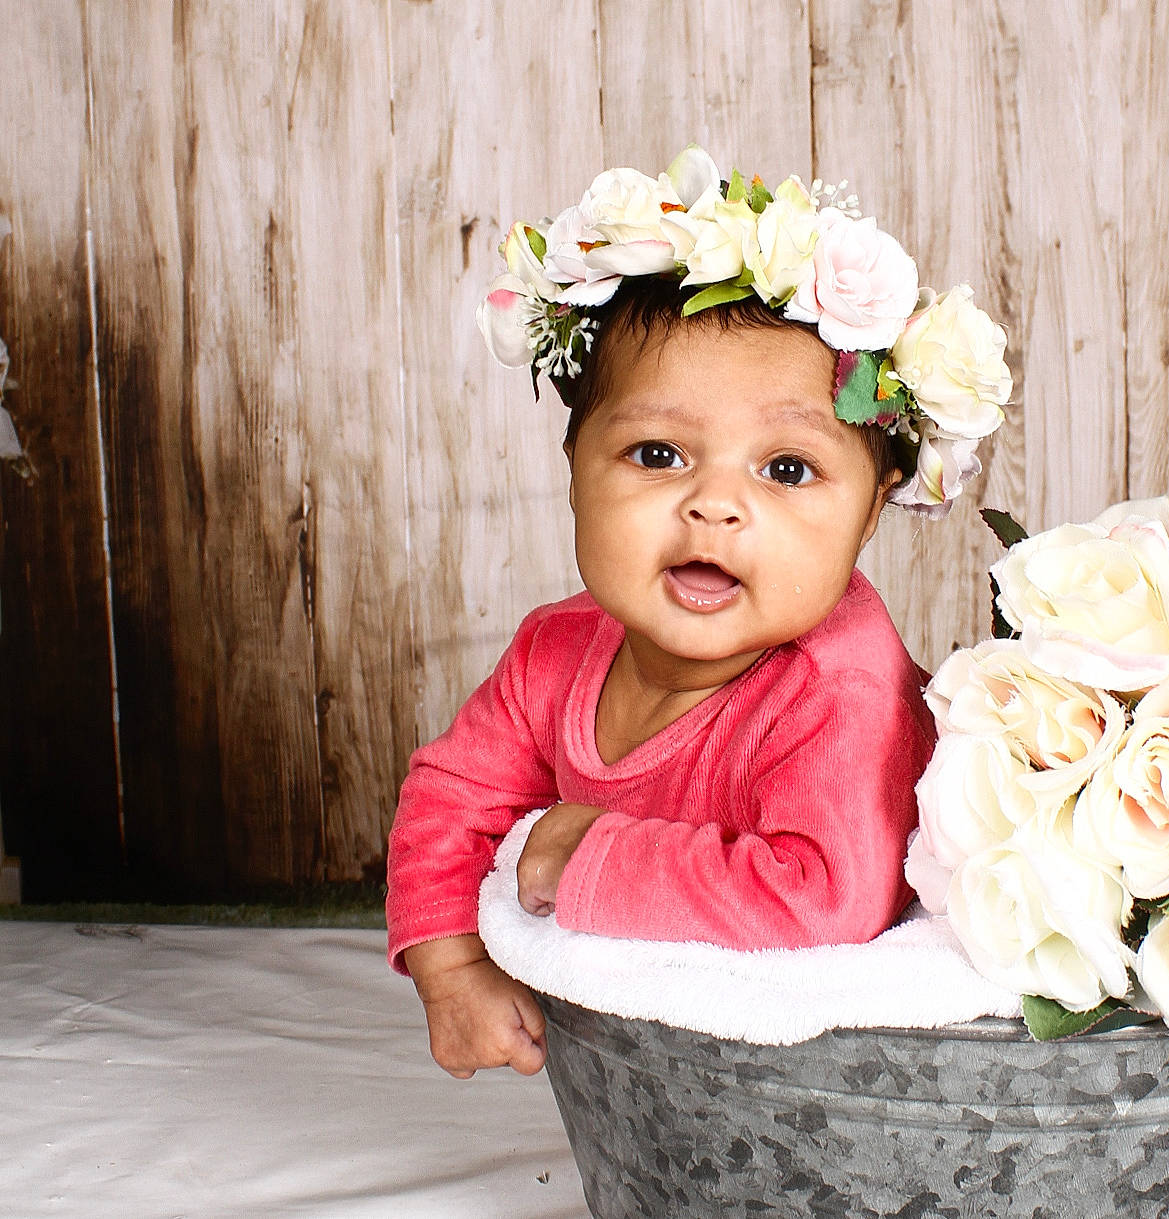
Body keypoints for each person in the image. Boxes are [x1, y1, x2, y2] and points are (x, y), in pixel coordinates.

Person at [386, 146, 1012, 1078]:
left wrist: (593, 853)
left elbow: (825, 898)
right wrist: (451, 963)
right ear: (572, 471)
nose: (715, 505)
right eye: (656, 454)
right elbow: (452, 796)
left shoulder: (839, 690)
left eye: (786, 469)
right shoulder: (555, 652)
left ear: (872, 508)